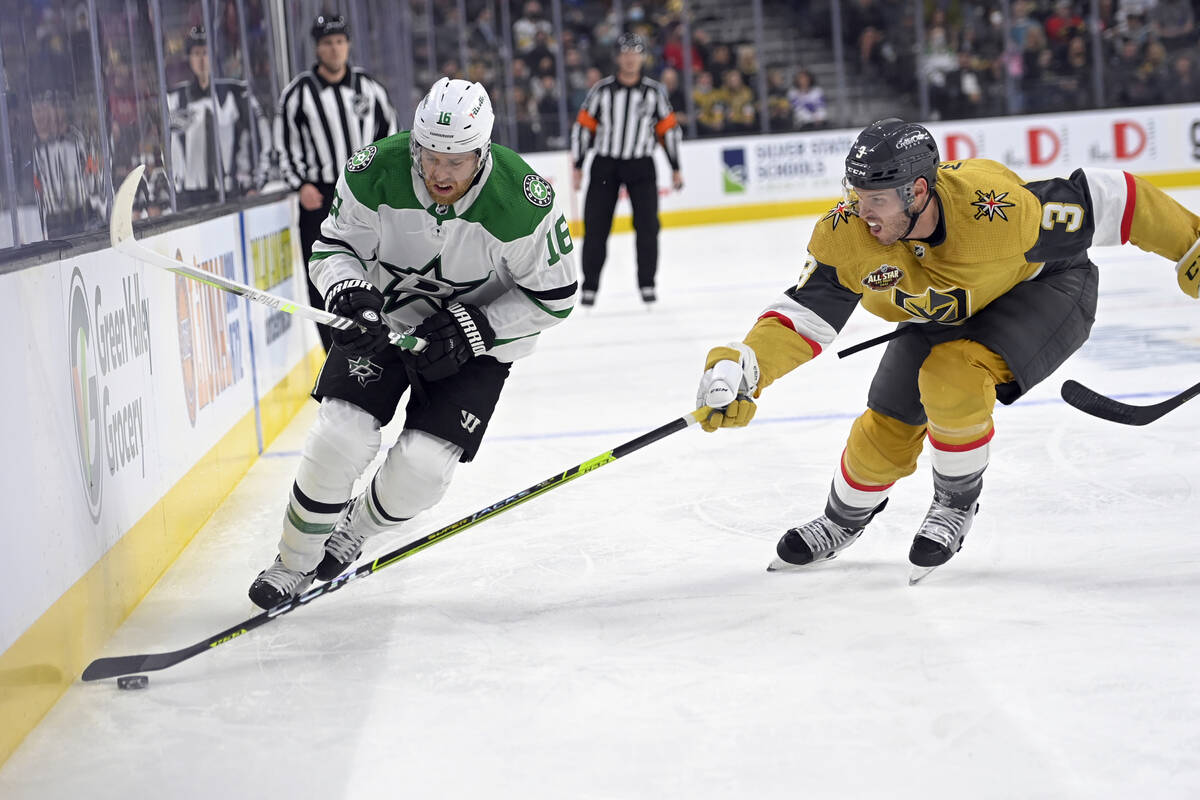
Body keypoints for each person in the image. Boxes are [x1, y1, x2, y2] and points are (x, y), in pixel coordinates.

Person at [696, 118, 1200, 584]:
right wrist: (746, 364)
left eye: (876, 200)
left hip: (1042, 291)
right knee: (885, 429)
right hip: (946, 309)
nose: (860, 211)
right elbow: (805, 315)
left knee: (951, 377)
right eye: (855, 194)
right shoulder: (847, 234)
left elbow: (1113, 197)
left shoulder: (997, 213)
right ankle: (841, 520)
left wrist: (1192, 246)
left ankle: (956, 503)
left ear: (917, 190)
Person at [248, 78, 579, 609]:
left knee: (422, 470)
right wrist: (349, 289)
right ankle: (291, 563)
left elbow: (555, 298)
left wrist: (481, 328)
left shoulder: (523, 204)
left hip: (475, 345)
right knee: (340, 438)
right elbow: (333, 246)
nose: (439, 172)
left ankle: (353, 530)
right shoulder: (376, 170)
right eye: (429, 155)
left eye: (456, 160)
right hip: (385, 317)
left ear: (483, 151)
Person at [275, 13, 398, 352]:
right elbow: (284, 147)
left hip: (364, 194)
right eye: (327, 43)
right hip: (320, 195)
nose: (334, 49)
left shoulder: (370, 89)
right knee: (322, 278)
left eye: (340, 42)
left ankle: (380, 346)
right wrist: (300, 185)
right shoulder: (297, 94)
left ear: (348, 45)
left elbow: (388, 140)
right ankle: (334, 354)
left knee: (375, 267)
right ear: (317, 48)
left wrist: (384, 185)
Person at [570, 32, 683, 307]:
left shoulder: (654, 92)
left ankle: (647, 284)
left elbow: (668, 131)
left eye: (636, 53)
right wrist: (578, 165)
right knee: (596, 226)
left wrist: (676, 167)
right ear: (618, 58)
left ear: (642, 57)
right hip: (606, 165)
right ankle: (590, 287)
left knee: (647, 227)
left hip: (641, 164)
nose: (630, 58)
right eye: (625, 53)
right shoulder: (601, 91)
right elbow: (584, 128)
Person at [166, 25, 270, 208]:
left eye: (206, 53)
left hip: (232, 193)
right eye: (196, 53)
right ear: (189, 58)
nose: (201, 59)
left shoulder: (237, 93)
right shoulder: (174, 99)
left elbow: (262, 137)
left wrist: (255, 183)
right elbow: (166, 150)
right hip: (188, 197)